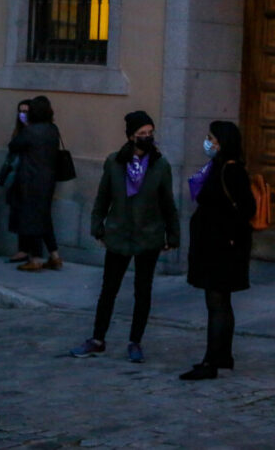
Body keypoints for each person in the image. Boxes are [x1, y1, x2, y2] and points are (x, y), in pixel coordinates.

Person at [70, 110, 179, 363]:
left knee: (143, 290)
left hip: (148, 235)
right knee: (109, 289)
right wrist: (98, 227)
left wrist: (173, 235)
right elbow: (103, 197)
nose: (147, 137)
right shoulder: (114, 162)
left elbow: (168, 204)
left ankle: (135, 341)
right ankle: (98, 339)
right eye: (142, 133)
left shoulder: (160, 165)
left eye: (150, 133)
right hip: (119, 234)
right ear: (131, 136)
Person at [180, 121, 256, 380]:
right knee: (221, 302)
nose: (208, 142)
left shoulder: (231, 170)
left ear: (223, 142)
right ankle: (223, 356)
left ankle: (211, 361)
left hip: (221, 248)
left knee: (217, 303)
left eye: (211, 138)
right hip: (214, 245)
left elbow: (246, 208)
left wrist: (230, 236)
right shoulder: (218, 166)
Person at [8, 95, 63, 271]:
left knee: (32, 219)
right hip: (48, 179)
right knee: (44, 217)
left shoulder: (30, 131)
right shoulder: (53, 129)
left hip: (30, 180)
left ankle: (36, 259)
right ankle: (54, 256)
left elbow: (13, 145)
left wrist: (25, 128)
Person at [0, 98, 31, 264]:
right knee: (18, 213)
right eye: (20, 111)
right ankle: (22, 249)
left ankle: (26, 250)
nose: (22, 115)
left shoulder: (31, 132)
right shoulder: (19, 132)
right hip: (16, 177)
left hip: (27, 178)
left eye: (26, 111)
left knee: (27, 215)